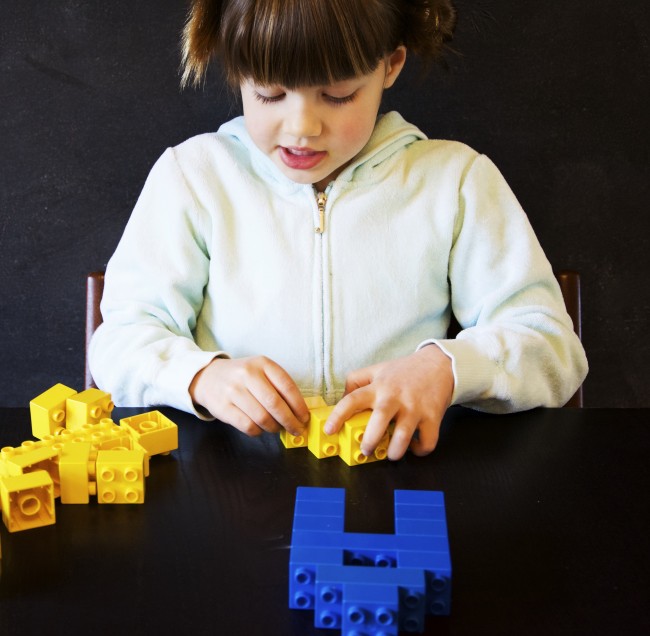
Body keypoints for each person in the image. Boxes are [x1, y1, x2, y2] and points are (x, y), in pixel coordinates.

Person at [89, 0, 588, 461]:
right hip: (231, 493)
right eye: (270, 93)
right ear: (238, 71)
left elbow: (553, 350)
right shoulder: (193, 178)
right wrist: (201, 376)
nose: (301, 126)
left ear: (391, 64)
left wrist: (447, 368)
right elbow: (119, 343)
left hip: (399, 480)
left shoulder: (455, 182)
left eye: (337, 94)